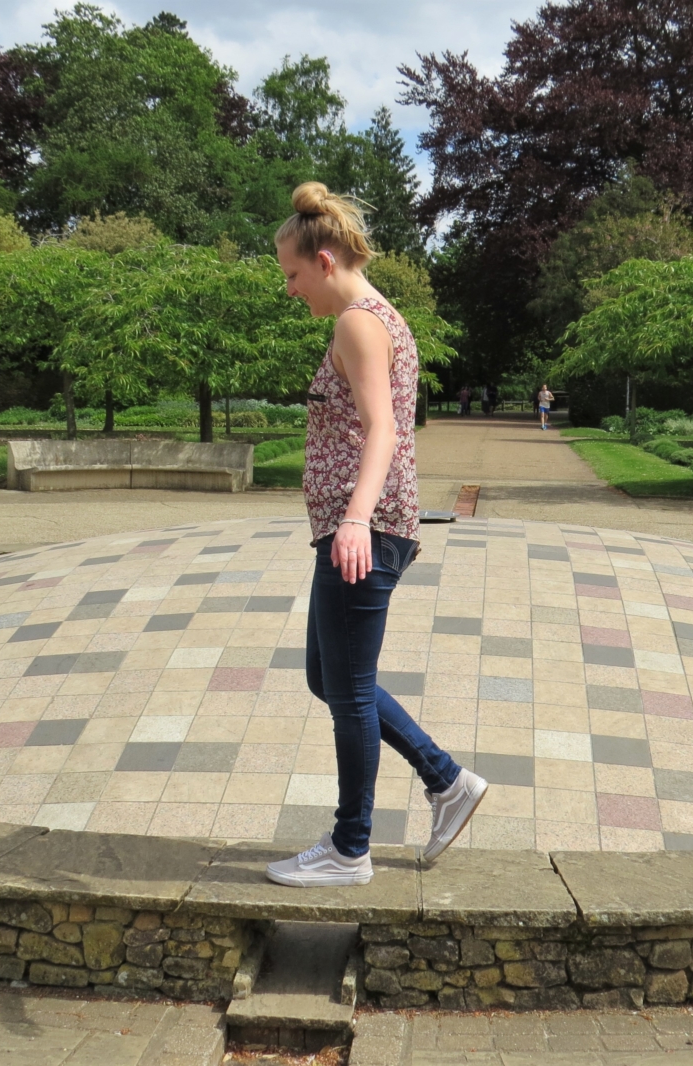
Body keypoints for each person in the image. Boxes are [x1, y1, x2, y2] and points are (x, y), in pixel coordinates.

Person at [267, 182, 487, 888]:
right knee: (327, 678)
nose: (291, 290)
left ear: (324, 261)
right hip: (359, 528)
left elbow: (385, 428)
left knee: (350, 690)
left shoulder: (359, 323)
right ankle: (446, 782)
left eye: (294, 275)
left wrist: (356, 517)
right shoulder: (378, 316)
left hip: (363, 529)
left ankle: (350, 847)